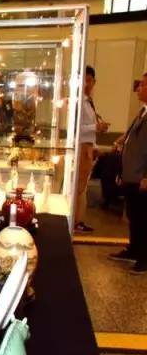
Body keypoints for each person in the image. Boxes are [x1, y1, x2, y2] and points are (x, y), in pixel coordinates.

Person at [108, 72, 147, 274]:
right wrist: (122, 171)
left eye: (142, 85)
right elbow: (131, 141)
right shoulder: (142, 112)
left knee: (143, 218)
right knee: (133, 215)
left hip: (142, 176)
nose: (138, 88)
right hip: (131, 174)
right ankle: (134, 250)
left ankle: (144, 258)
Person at [74, 65, 109, 233]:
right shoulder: (79, 102)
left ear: (94, 82)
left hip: (87, 148)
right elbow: (76, 129)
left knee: (82, 189)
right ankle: (75, 222)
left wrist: (95, 146)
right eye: (84, 80)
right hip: (81, 149)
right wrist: (96, 127)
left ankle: (78, 221)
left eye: (89, 80)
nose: (87, 84)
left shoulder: (89, 102)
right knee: (79, 188)